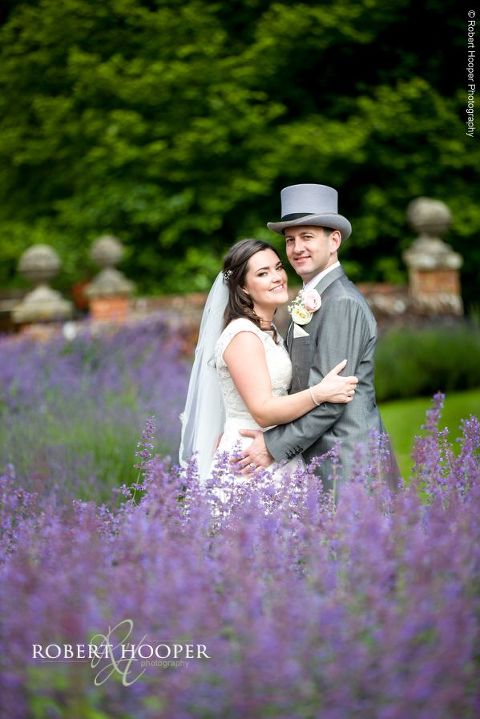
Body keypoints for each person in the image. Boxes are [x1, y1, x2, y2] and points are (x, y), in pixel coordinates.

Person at [235, 183, 398, 492]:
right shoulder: (313, 296)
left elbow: (333, 399)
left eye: (307, 237)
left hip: (347, 465)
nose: (297, 249)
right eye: (290, 240)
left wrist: (272, 445)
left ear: (334, 240)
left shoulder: (341, 303)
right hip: (320, 458)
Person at [179, 238, 358, 484]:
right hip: (251, 458)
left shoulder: (267, 331)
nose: (277, 277)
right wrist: (320, 393)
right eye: (263, 273)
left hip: (273, 449)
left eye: (278, 267)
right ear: (243, 287)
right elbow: (262, 411)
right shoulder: (243, 335)